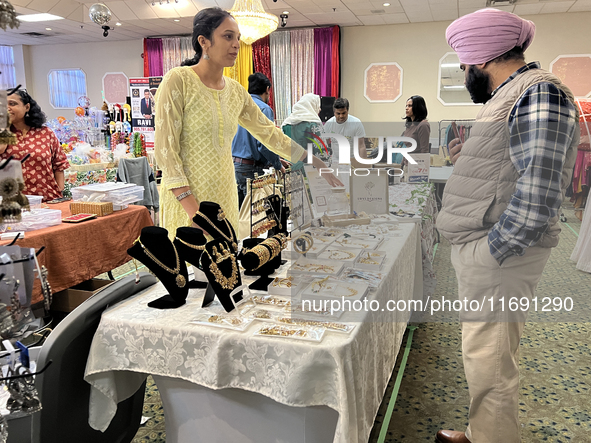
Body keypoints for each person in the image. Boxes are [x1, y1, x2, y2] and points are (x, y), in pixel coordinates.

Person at [436, 9, 579, 443]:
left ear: (482, 58)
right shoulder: (515, 93)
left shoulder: (540, 93)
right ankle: (482, 431)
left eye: (463, 64)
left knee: (492, 361)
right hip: (489, 247)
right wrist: (468, 158)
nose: (464, 73)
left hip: (499, 253)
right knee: (485, 355)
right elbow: (508, 170)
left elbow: (540, 190)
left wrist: (493, 250)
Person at [154, 8, 341, 237]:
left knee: (227, 268)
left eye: (238, 38)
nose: (236, 44)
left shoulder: (235, 91)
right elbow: (166, 151)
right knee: (190, 268)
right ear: (204, 41)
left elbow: (269, 134)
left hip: (225, 195)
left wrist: (313, 161)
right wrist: (194, 212)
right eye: (228, 36)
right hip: (188, 201)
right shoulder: (178, 80)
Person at [0, 89, 69, 202]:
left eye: (12, 104)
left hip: (48, 199)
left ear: (27, 107)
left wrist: (60, 189)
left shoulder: (45, 132)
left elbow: (59, 163)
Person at [231, 72, 289, 207]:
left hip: (235, 166)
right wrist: (277, 164)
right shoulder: (263, 109)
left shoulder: (239, 106)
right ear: (268, 90)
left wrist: (275, 159)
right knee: (254, 216)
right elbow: (265, 144)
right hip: (251, 169)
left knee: (239, 213)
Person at [281, 94, 329, 163]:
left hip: (289, 165)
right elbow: (321, 151)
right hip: (308, 167)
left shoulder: (286, 124)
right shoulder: (313, 125)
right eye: (318, 106)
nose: (320, 109)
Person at [323, 97, 367, 163]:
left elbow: (361, 146)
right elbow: (324, 145)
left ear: (347, 111)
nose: (341, 116)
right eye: (338, 113)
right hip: (335, 162)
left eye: (343, 113)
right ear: (334, 112)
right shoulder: (329, 124)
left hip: (352, 161)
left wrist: (362, 165)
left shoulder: (356, 123)